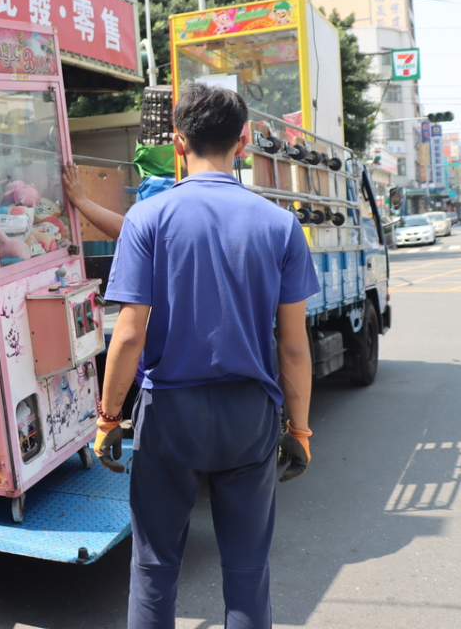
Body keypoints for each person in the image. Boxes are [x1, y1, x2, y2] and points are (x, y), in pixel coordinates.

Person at [94, 84, 321, 629]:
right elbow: (292, 344)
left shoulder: (148, 220)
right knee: (246, 571)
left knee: (154, 567)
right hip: (250, 415)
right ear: (243, 141)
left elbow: (127, 335)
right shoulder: (280, 224)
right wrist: (301, 429)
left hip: (169, 414)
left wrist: (107, 419)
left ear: (177, 141)